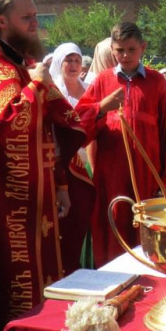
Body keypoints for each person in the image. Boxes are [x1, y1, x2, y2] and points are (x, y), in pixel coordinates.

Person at [0, 0, 88, 331]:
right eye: (27, 18)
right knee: (20, 289)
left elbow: (49, 129)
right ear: (1, 21)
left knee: (49, 281)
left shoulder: (20, 64)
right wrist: (35, 90)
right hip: (9, 207)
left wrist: (61, 183)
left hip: (42, 197)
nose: (35, 24)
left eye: (35, 17)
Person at [76, 22, 166, 267]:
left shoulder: (157, 83)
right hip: (110, 177)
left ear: (142, 48)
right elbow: (78, 126)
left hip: (147, 177)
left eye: (131, 49)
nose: (125, 56)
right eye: (119, 50)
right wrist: (102, 107)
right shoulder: (102, 81)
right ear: (112, 50)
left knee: (146, 240)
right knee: (112, 236)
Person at [49, 42, 94, 273]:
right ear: (59, 63)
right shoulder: (54, 93)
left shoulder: (90, 88)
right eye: (69, 60)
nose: (74, 65)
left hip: (91, 162)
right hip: (67, 166)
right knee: (69, 225)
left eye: (77, 60)